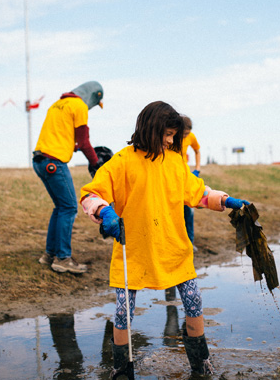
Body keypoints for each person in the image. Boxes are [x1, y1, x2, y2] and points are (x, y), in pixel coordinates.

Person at [79, 101, 249, 376]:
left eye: (174, 136)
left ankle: (201, 363)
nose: (171, 141)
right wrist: (104, 211)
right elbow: (89, 194)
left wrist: (226, 200)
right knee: (124, 313)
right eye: (167, 135)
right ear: (149, 129)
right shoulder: (121, 162)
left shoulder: (175, 161)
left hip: (174, 246)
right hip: (133, 250)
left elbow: (198, 193)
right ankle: (122, 368)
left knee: (194, 303)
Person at [33, 81, 104, 275]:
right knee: (69, 207)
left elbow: (64, 138)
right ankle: (63, 258)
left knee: (60, 207)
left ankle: (49, 255)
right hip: (54, 163)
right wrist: (95, 162)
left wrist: (75, 147)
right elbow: (83, 141)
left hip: (40, 160)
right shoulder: (79, 105)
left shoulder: (57, 105)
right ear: (94, 96)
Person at [181, 115, 201, 246]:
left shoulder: (191, 137)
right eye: (183, 133)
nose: (185, 136)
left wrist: (197, 169)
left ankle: (190, 242)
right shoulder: (173, 137)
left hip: (185, 176)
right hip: (172, 176)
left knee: (189, 209)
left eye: (187, 133)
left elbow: (197, 151)